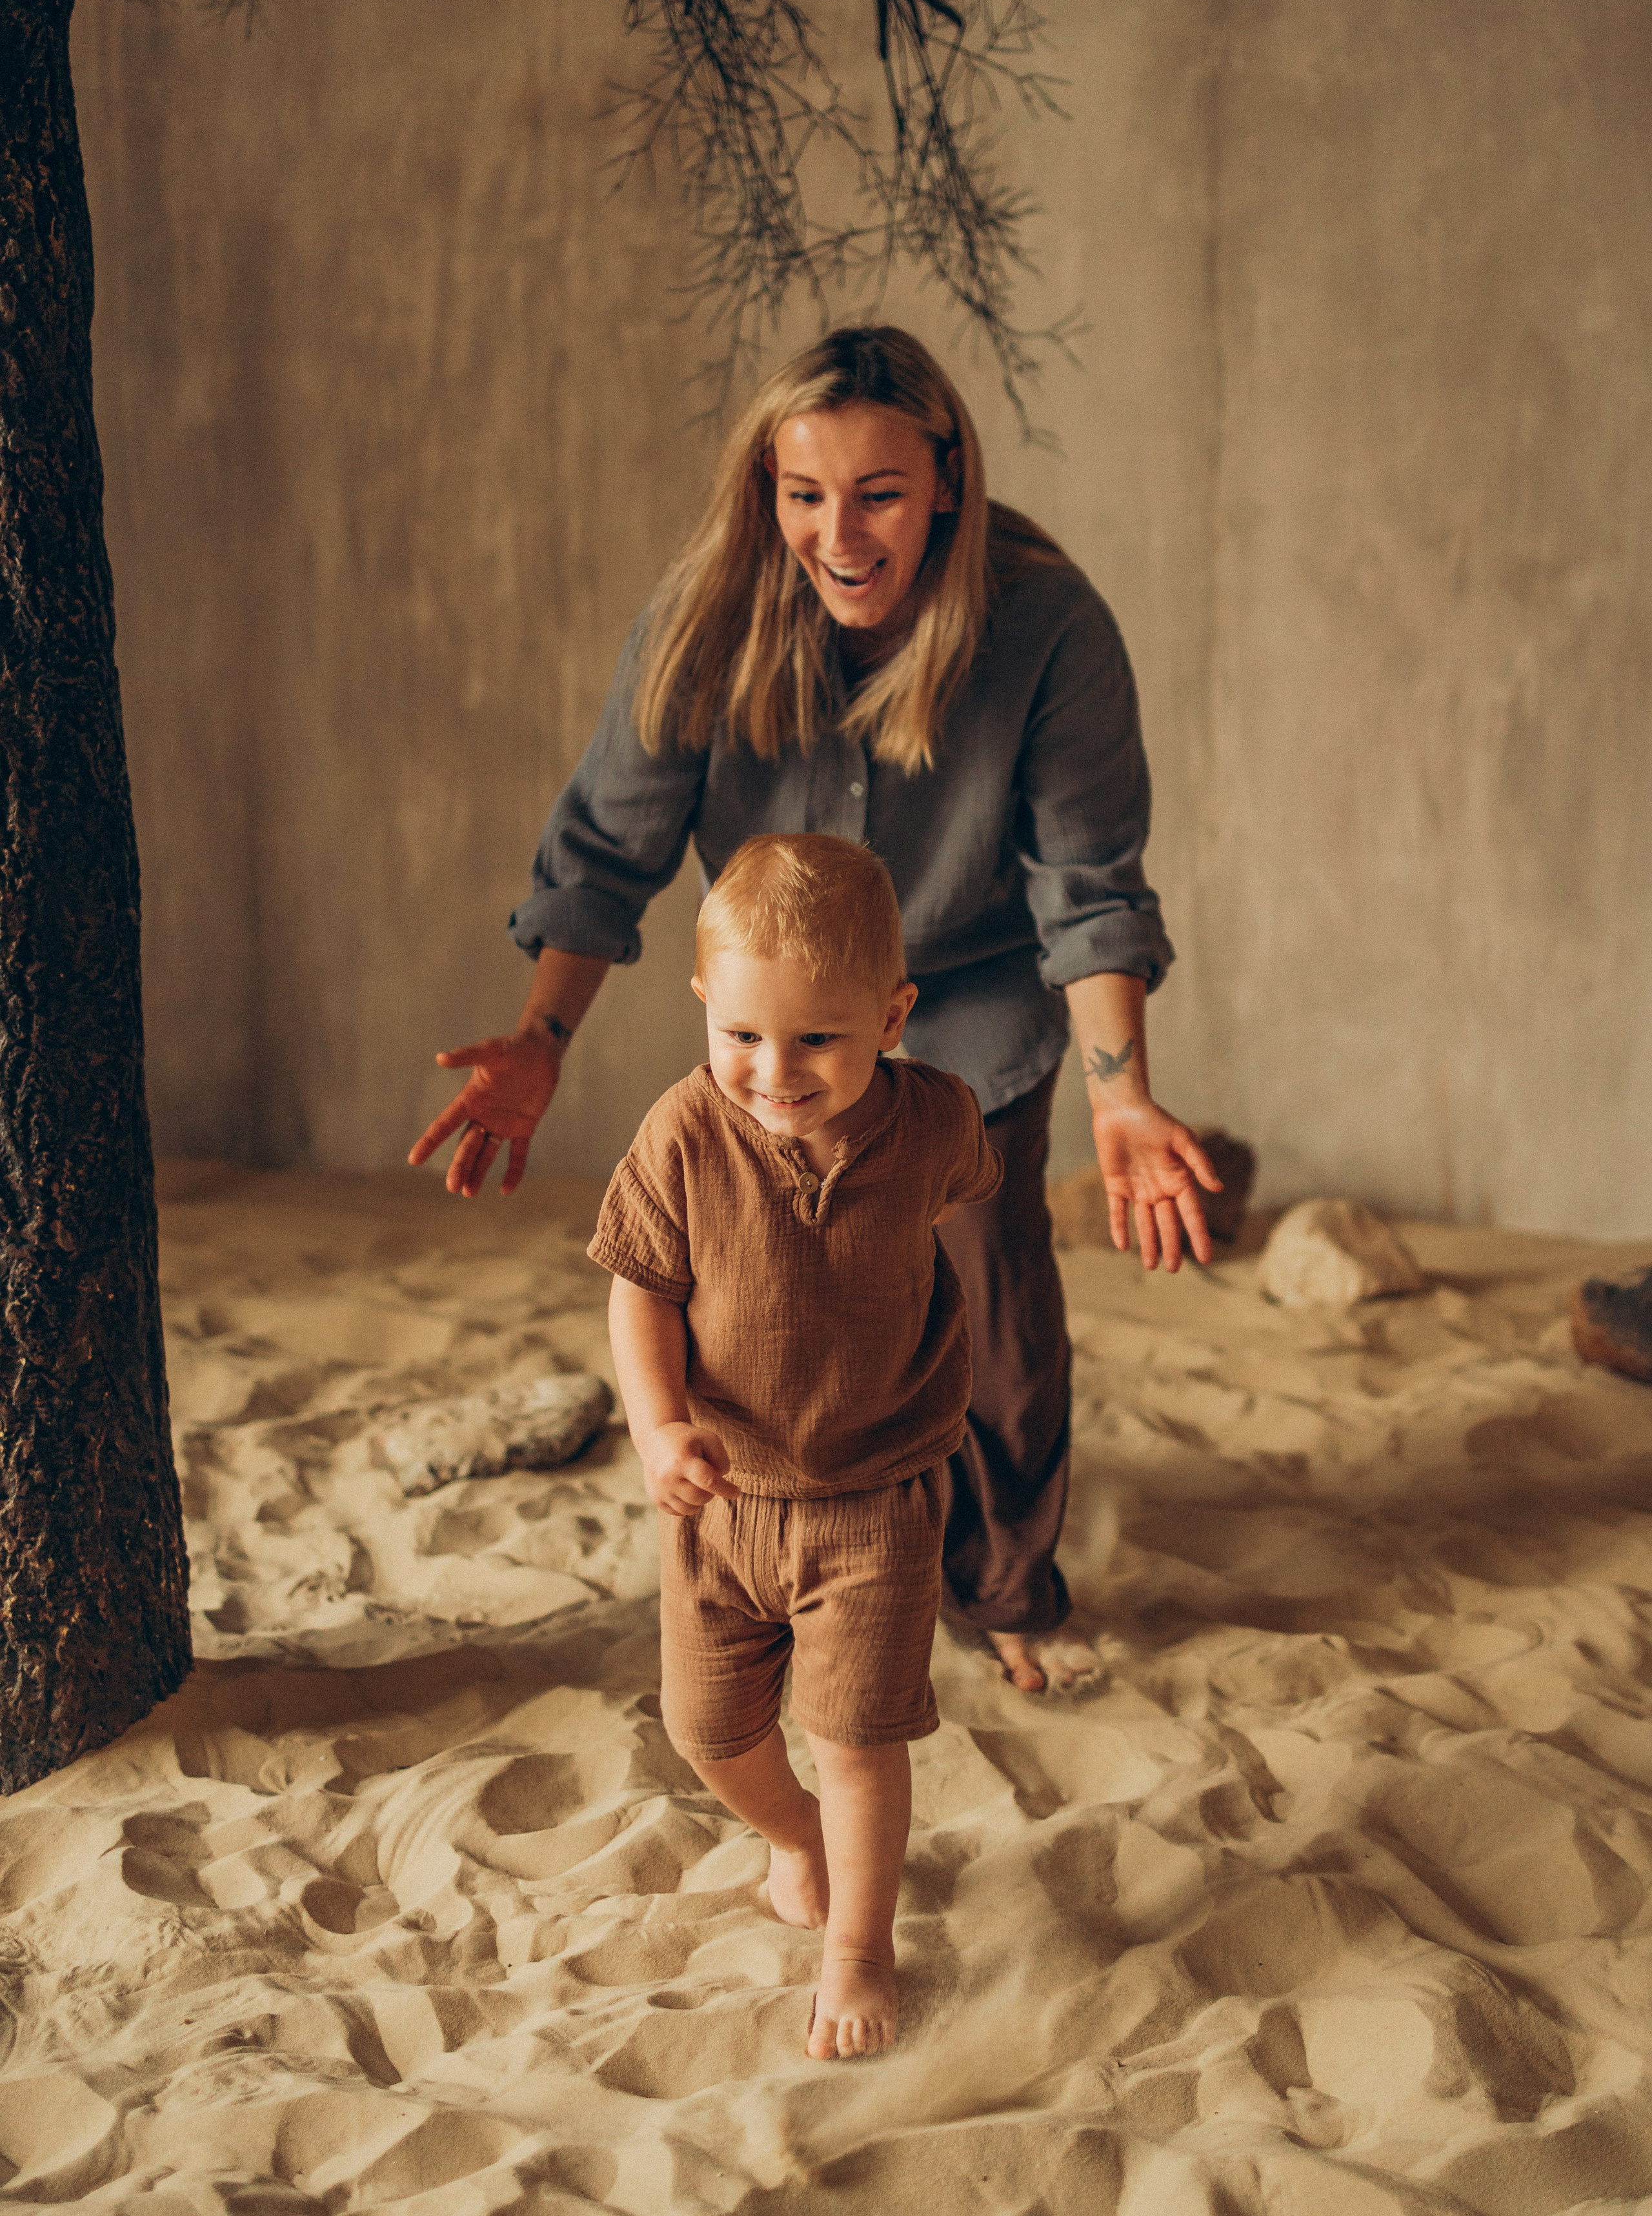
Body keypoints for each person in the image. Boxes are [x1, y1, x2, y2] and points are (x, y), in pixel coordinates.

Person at [409, 323, 1220, 1695]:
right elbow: (608, 848)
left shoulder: (1048, 625)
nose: (838, 535)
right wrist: (543, 1039)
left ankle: (1001, 1581)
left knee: (986, 1283)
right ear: (766, 491)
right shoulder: (704, 620)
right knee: (755, 1294)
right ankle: (776, 1553)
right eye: (804, 494)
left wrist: (1119, 1093)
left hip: (967, 1003)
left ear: (946, 479)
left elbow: (1087, 886)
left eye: (878, 494)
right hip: (773, 1021)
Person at [594, 833, 1002, 2059]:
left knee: (857, 1740)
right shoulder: (683, 1131)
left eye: (818, 1038)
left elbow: (963, 1193)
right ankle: (794, 1836)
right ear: (703, 1004)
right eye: (741, 1034)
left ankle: (861, 1947)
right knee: (709, 1731)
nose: (774, 1072)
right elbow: (639, 1289)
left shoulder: (935, 1121)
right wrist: (659, 1426)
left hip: (878, 1493)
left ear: (893, 1018)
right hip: (723, 1494)